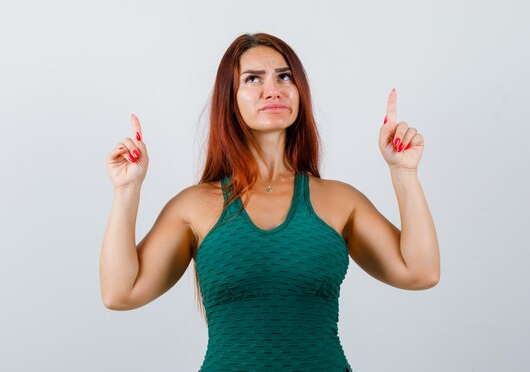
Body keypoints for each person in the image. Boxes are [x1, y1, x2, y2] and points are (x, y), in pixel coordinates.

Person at [99, 33, 440, 372]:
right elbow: (120, 293)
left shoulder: (339, 200)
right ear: (230, 99)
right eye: (253, 79)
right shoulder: (194, 207)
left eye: (284, 76)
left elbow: (420, 272)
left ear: (299, 92)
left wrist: (404, 172)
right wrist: (127, 189)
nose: (273, 89)